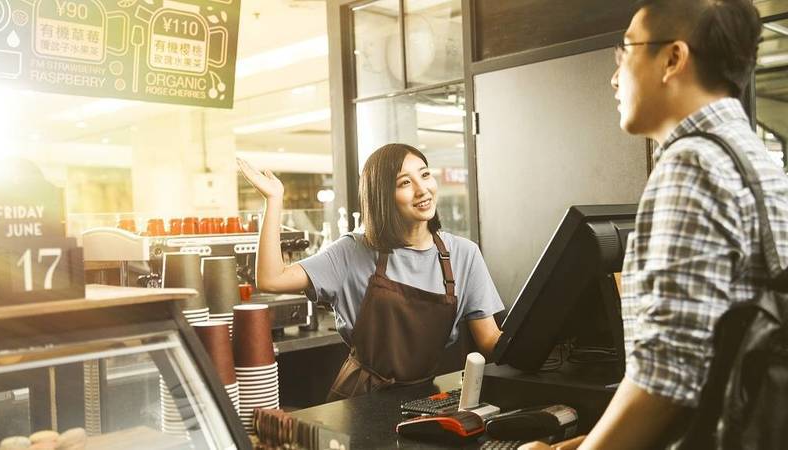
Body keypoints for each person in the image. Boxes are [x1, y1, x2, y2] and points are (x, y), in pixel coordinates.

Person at [523, 0, 788, 449]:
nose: (614, 75)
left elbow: (666, 383)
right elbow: (711, 370)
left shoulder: (692, 164)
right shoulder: (754, 159)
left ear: (672, 58)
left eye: (625, 50)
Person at [237, 143, 504, 401]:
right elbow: (271, 279)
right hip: (361, 401)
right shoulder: (352, 251)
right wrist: (273, 200)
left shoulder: (464, 255)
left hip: (427, 397)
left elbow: (489, 339)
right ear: (382, 196)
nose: (423, 190)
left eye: (424, 175)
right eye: (405, 183)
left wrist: (538, 342)